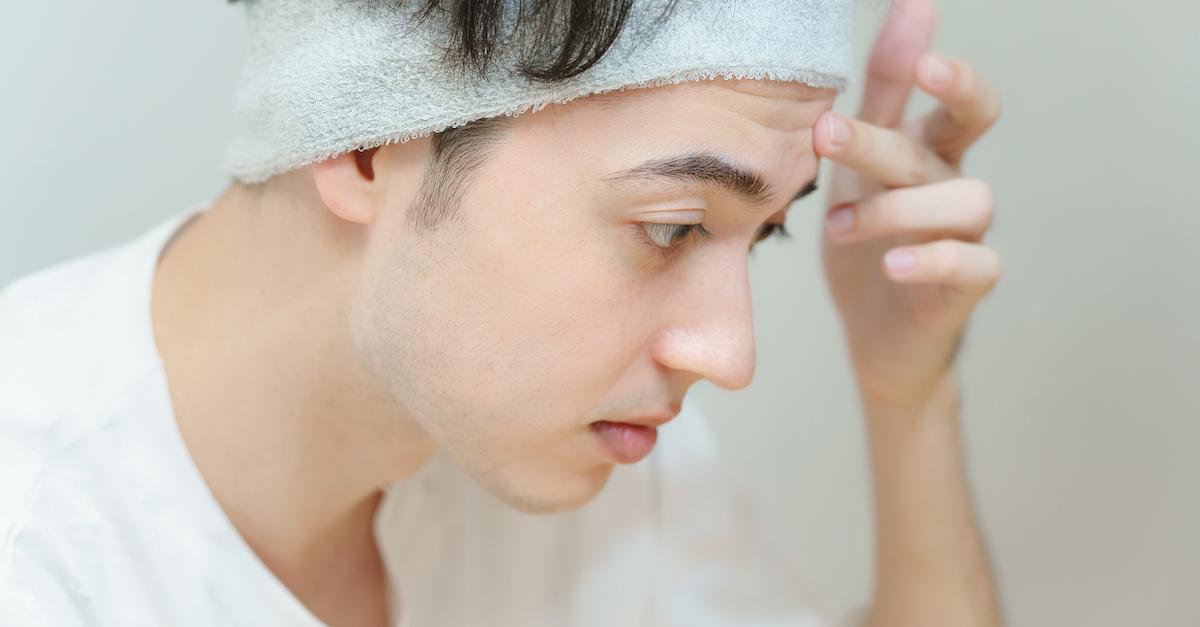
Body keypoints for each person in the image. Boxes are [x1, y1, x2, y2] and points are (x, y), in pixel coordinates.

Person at [0, 0, 1004, 625]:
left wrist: (904, 395)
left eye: (768, 231)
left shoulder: (579, 458)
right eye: (670, 226)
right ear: (365, 146)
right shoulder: (35, 555)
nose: (728, 355)